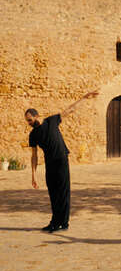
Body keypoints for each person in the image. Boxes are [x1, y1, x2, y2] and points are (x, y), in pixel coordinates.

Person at [25, 90, 99, 233]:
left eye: (30, 120)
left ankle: (62, 222)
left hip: (61, 160)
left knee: (63, 192)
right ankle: (55, 221)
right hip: (49, 163)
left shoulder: (51, 121)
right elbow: (34, 155)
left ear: (36, 116)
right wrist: (33, 175)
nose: (28, 123)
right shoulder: (33, 134)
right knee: (53, 193)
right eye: (27, 121)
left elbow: (69, 110)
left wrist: (84, 97)